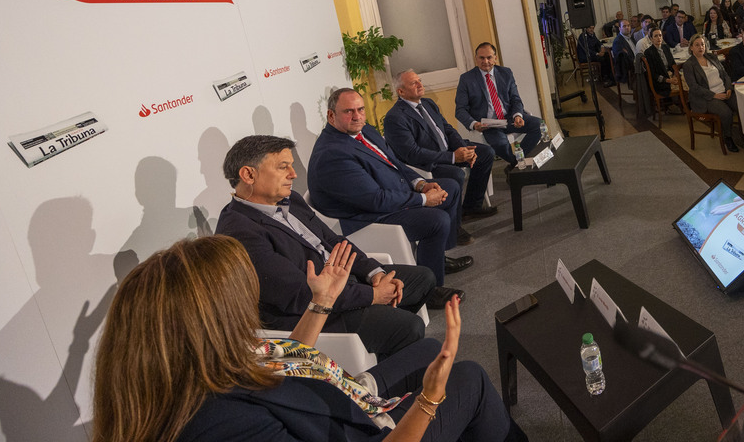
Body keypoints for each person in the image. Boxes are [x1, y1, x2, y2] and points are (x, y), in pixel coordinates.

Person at [91, 234, 522, 442]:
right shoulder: (228, 428)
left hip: (340, 397)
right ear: (212, 316)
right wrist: (428, 400)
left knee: (427, 347)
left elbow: (285, 359)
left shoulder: (196, 365)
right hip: (363, 427)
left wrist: (321, 303)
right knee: (467, 378)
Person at [217, 135, 447, 360]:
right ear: (248, 174)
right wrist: (373, 295)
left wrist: (374, 273)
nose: (293, 174)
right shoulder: (239, 232)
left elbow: (333, 240)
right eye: (282, 167)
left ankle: (387, 348)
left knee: (423, 278)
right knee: (409, 327)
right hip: (312, 311)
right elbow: (297, 294)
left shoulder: (291, 199)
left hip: (342, 282)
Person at [309, 89, 471, 287]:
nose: (357, 116)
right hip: (364, 217)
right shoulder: (332, 154)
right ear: (331, 115)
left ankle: (437, 258)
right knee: (436, 220)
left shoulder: (365, 130)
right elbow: (375, 200)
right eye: (348, 111)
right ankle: (431, 290)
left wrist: (420, 184)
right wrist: (423, 200)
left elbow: (395, 163)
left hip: (388, 193)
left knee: (451, 187)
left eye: (360, 109)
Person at [384, 70, 496, 222]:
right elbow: (413, 153)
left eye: (419, 80)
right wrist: (453, 157)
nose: (420, 84)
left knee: (486, 152)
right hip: (428, 162)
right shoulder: (395, 117)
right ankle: (454, 226)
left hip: (448, 150)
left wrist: (463, 148)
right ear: (401, 91)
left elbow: (448, 129)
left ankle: (471, 207)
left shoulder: (428, 103)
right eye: (413, 83)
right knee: (456, 174)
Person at [455, 43, 543, 165]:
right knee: (501, 144)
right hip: (487, 124)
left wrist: (517, 115)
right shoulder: (466, 79)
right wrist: (474, 124)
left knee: (538, 125)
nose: (485, 61)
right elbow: (460, 110)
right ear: (476, 59)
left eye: (489, 57)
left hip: (509, 118)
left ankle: (515, 165)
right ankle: (516, 164)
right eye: (481, 58)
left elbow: (515, 99)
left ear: (495, 58)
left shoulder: (506, 73)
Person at [684, 34, 744, 153]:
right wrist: (713, 95)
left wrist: (728, 88)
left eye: (702, 44)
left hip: (724, 91)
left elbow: (725, 74)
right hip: (706, 97)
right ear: (691, 48)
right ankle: (727, 138)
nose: (701, 47)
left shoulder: (712, 57)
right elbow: (694, 87)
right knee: (726, 113)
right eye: (697, 45)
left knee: (741, 105)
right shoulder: (689, 65)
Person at [642, 27, 678, 104]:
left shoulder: (665, 47)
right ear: (651, 39)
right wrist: (668, 80)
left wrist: (675, 76)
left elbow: (673, 63)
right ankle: (678, 104)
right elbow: (653, 74)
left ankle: (685, 103)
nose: (659, 38)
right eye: (656, 36)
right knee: (682, 83)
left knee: (687, 79)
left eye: (660, 35)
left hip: (670, 75)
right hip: (660, 81)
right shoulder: (648, 52)